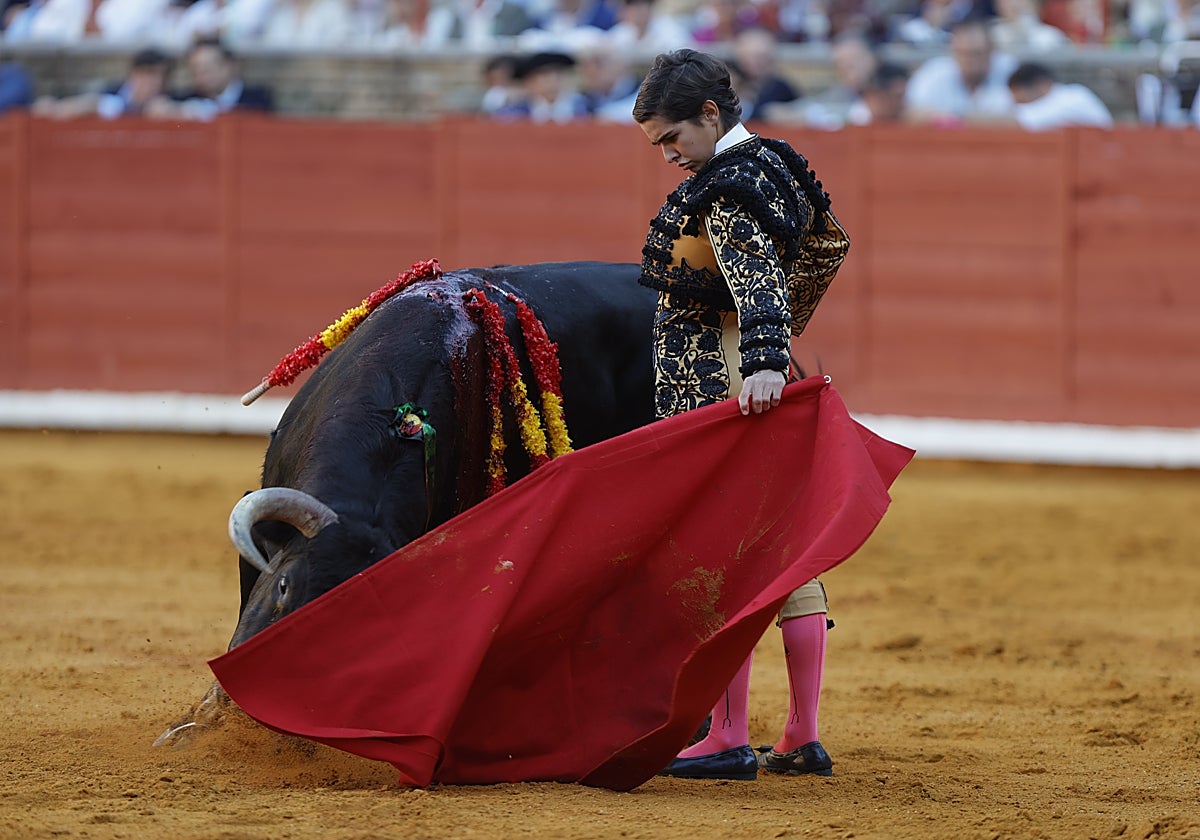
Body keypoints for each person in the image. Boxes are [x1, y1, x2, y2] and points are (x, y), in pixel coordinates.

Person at [631, 49, 850, 781]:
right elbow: (823, 245)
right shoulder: (775, 162)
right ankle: (801, 733)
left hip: (722, 375)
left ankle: (726, 735)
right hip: (761, 367)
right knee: (783, 549)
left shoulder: (724, 188)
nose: (667, 156)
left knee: (722, 550)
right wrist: (776, 348)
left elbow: (754, 278)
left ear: (710, 115)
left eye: (672, 139)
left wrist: (758, 355)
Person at [905, 16, 1017, 125]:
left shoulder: (1010, 70)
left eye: (977, 54)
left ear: (991, 50)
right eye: (963, 54)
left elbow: (1025, 118)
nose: (970, 61)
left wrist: (958, 119)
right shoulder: (935, 72)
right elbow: (910, 113)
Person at [150, 36, 274, 120]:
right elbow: (158, 107)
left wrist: (202, 112)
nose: (202, 75)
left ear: (230, 66)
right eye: (196, 70)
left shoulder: (258, 96)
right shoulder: (189, 97)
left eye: (209, 68)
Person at [32, 46, 172, 118]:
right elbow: (96, 103)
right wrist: (57, 107)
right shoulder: (111, 91)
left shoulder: (169, 99)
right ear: (135, 74)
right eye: (150, 74)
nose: (156, 82)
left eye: (161, 76)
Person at [1003, 60, 1113, 129]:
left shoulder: (1074, 97)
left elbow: (1021, 121)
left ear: (1041, 84)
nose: (1020, 105)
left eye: (1024, 101)